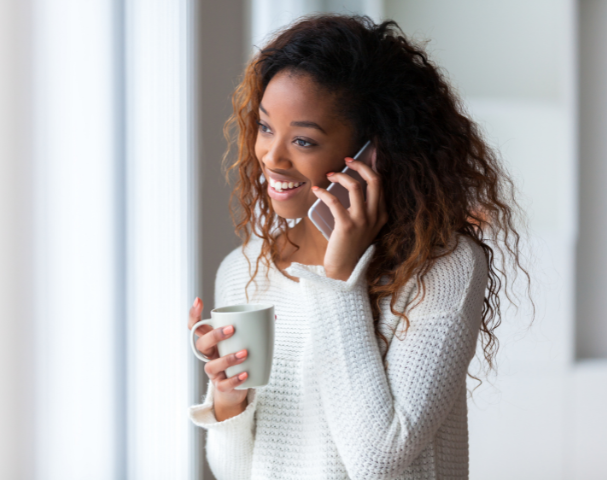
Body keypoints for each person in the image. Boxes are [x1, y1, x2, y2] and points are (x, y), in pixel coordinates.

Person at [188, 14, 530, 480]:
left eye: (303, 140)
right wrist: (230, 398)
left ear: (374, 151)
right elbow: (233, 471)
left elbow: (378, 461)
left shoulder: (440, 269)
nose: (271, 156)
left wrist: (339, 278)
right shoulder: (246, 268)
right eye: (266, 127)